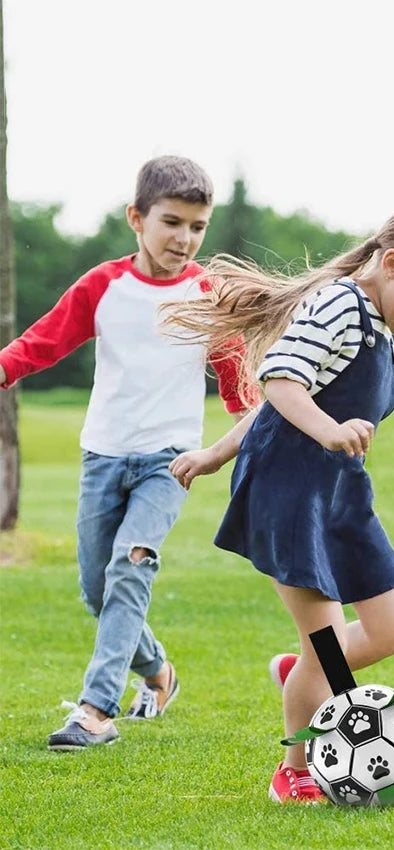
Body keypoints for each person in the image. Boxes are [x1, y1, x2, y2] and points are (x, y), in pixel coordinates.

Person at [164, 201, 394, 802]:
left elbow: (272, 404)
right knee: (329, 647)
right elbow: (280, 380)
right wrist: (326, 431)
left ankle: (301, 673)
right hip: (289, 493)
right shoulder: (340, 303)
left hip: (339, 495)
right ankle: (295, 768)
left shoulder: (380, 323)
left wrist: (216, 451)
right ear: (391, 262)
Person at [0, 156, 247, 749]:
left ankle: (94, 710)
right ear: (136, 218)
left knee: (130, 567)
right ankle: (160, 673)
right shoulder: (103, 286)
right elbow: (40, 344)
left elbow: (240, 387)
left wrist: (250, 438)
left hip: (171, 462)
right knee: (96, 587)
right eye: (172, 222)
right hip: (102, 456)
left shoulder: (208, 296)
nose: (185, 239)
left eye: (198, 226)